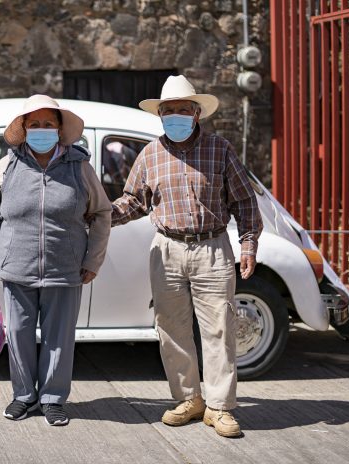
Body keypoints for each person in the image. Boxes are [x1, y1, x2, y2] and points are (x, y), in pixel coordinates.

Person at [111, 75, 263, 438]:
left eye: (183, 110)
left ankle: (220, 407)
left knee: (220, 328)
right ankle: (188, 399)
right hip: (167, 248)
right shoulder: (150, 154)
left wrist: (248, 245)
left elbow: (244, 200)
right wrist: (98, 215)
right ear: (160, 115)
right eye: (169, 111)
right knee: (171, 328)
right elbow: (133, 201)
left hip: (212, 248)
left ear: (196, 113)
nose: (175, 116)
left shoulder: (219, 149)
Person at [0, 95, 111, 426]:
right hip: (16, 268)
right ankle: (24, 396)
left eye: (47, 124)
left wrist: (93, 259)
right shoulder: (7, 165)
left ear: (59, 129)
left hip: (65, 269)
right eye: (33, 124)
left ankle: (52, 399)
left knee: (59, 338)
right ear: (23, 129)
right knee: (19, 334)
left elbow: (102, 213)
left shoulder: (79, 166)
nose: (40, 130)